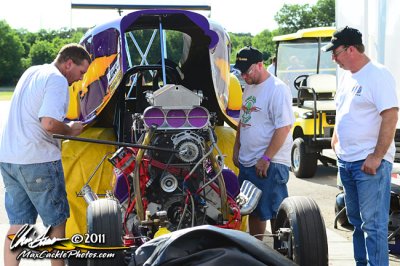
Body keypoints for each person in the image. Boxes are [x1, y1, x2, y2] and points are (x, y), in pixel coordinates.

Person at [0, 43, 91, 266]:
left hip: (10, 158)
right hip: (37, 160)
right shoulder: (57, 79)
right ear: (68, 63)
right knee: (56, 224)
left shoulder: (32, 71)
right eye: (81, 72)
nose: (79, 80)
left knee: (19, 224)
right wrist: (71, 130)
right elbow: (49, 123)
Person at [323, 26, 398, 266]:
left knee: (373, 225)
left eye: (335, 53)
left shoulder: (378, 74)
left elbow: (390, 115)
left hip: (369, 164)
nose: (333, 58)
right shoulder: (347, 76)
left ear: (351, 49)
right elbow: (343, 110)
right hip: (347, 161)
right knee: (355, 222)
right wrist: (336, 139)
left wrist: (377, 156)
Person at [232, 46, 294, 241]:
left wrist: (266, 158)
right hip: (249, 161)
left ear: (260, 65)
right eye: (240, 71)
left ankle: (281, 254)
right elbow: (243, 121)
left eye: (247, 71)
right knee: (253, 209)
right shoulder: (249, 87)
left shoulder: (277, 89)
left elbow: (284, 127)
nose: (243, 76)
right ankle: (256, 253)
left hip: (270, 163)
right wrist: (237, 148)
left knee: (275, 211)